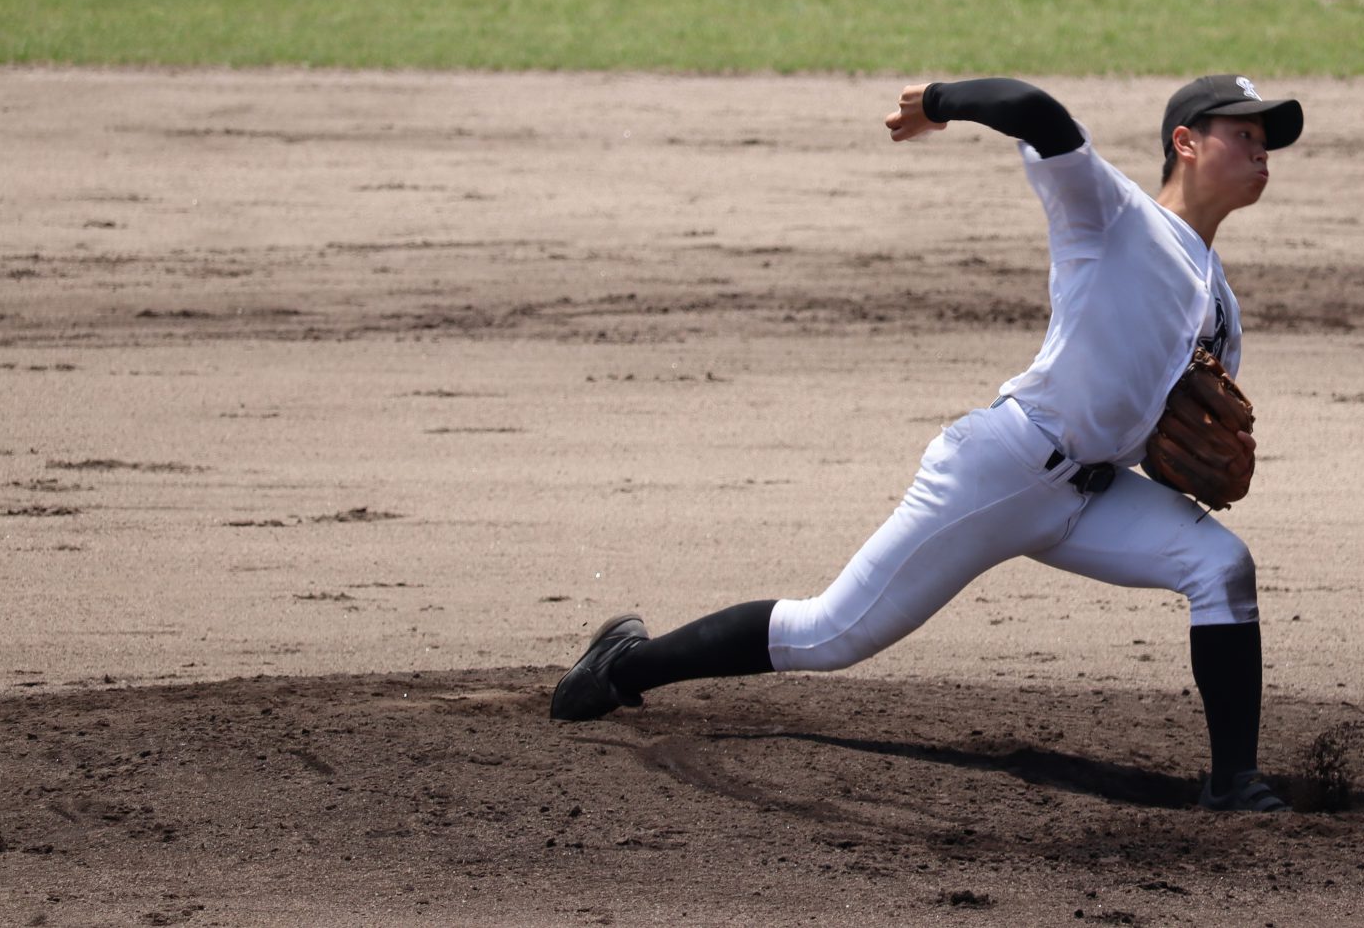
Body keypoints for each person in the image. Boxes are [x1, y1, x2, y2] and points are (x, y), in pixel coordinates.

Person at [549, 74, 1304, 813]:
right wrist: (938, 103)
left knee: (1221, 565)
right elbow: (1036, 111)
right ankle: (625, 664)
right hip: (1002, 468)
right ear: (1186, 141)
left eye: (1267, 141)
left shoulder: (1220, 302)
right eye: (1245, 133)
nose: (1262, 151)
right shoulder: (1113, 214)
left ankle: (1233, 780)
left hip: (1094, 494)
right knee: (827, 634)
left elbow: (1158, 427)